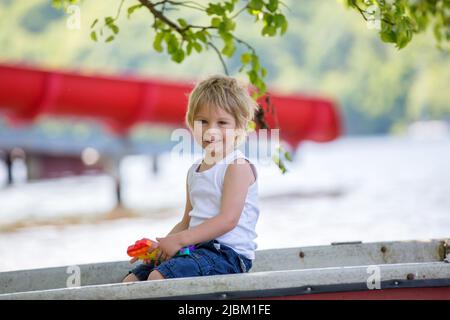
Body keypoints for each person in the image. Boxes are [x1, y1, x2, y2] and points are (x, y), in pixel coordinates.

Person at [122, 74, 260, 282]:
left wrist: (179, 241)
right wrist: (162, 246)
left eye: (222, 123)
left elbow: (228, 220)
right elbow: (187, 220)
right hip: (196, 249)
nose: (211, 131)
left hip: (228, 256)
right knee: (134, 279)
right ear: (191, 123)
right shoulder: (194, 170)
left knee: (158, 277)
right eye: (203, 121)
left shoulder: (237, 166)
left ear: (239, 127)